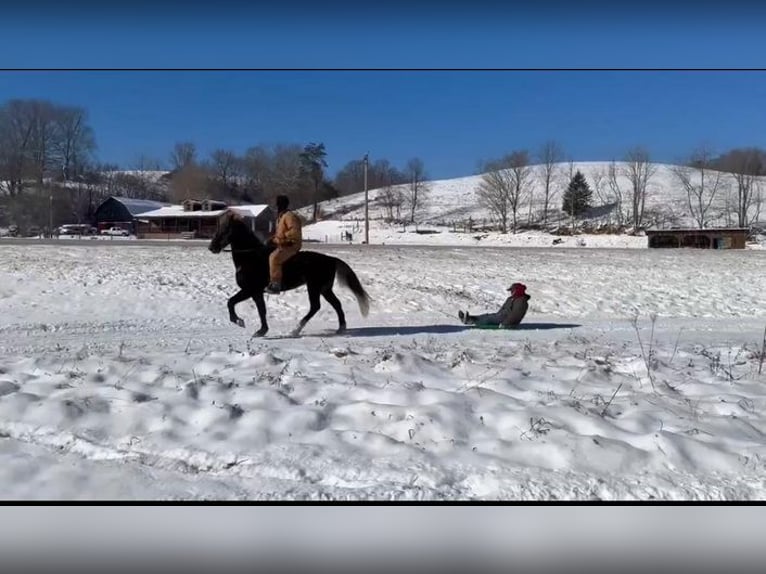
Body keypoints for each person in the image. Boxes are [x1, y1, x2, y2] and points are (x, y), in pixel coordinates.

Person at [266, 195, 303, 294]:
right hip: (281, 243)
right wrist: (272, 239)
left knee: (274, 258)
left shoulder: (290, 216)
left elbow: (294, 232)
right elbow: (280, 233)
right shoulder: (281, 217)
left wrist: (282, 241)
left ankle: (276, 284)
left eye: (278, 205)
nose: (276, 207)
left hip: (291, 245)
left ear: (282, 205)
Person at [458, 282, 531, 328]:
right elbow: (503, 309)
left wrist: (506, 324)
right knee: (486, 316)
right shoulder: (511, 298)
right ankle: (469, 319)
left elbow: (515, 315)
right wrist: (498, 315)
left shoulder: (521, 301)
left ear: (516, 290)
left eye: (512, 290)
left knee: (487, 319)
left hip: (506, 321)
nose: (511, 292)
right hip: (501, 316)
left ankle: (469, 320)